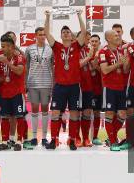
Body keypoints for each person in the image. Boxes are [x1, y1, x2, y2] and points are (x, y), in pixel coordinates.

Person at [44, 8, 87, 150]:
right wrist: (48, 17)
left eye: (68, 32)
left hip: (74, 86)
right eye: (63, 32)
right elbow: (46, 33)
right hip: (60, 86)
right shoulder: (56, 46)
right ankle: (54, 140)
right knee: (56, 113)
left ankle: (72, 139)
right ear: (61, 36)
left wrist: (79, 16)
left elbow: (84, 32)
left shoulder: (76, 46)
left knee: (74, 113)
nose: (66, 33)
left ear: (72, 35)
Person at [0, 35, 27, 151]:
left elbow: (19, 71)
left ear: (11, 46)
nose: (2, 49)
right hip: (4, 93)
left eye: (4, 46)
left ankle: (19, 141)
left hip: (17, 93)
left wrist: (7, 63)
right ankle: (4, 141)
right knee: (4, 117)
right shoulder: (0, 56)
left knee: (19, 117)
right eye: (1, 46)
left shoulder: (19, 57)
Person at [99, 30, 130, 150]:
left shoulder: (121, 51)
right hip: (109, 88)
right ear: (108, 38)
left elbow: (126, 70)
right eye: (115, 35)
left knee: (122, 114)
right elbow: (105, 70)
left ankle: (111, 137)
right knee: (110, 114)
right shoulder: (103, 51)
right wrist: (118, 64)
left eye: (119, 35)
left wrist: (126, 63)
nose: (119, 37)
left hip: (121, 87)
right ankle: (112, 142)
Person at [25, 26, 53, 147]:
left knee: (46, 110)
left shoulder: (51, 49)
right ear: (35, 36)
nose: (42, 37)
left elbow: (53, 67)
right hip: (33, 84)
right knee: (35, 110)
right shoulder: (29, 49)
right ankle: (34, 137)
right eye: (40, 34)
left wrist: (53, 84)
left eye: (44, 34)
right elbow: (26, 67)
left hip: (46, 83)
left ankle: (44, 138)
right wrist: (25, 83)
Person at [79, 32, 98, 147]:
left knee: (87, 112)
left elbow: (92, 69)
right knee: (75, 113)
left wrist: (94, 58)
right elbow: (77, 65)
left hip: (88, 86)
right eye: (87, 39)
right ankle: (76, 137)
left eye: (89, 39)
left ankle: (86, 138)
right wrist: (89, 56)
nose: (89, 41)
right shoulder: (74, 49)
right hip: (76, 86)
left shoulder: (89, 50)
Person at [89, 34, 104, 145]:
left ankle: (95, 137)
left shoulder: (102, 54)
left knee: (97, 113)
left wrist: (96, 65)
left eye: (96, 41)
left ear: (99, 43)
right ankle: (83, 137)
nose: (94, 43)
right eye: (92, 41)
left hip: (98, 89)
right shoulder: (85, 53)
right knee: (84, 113)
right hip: (86, 88)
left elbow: (104, 71)